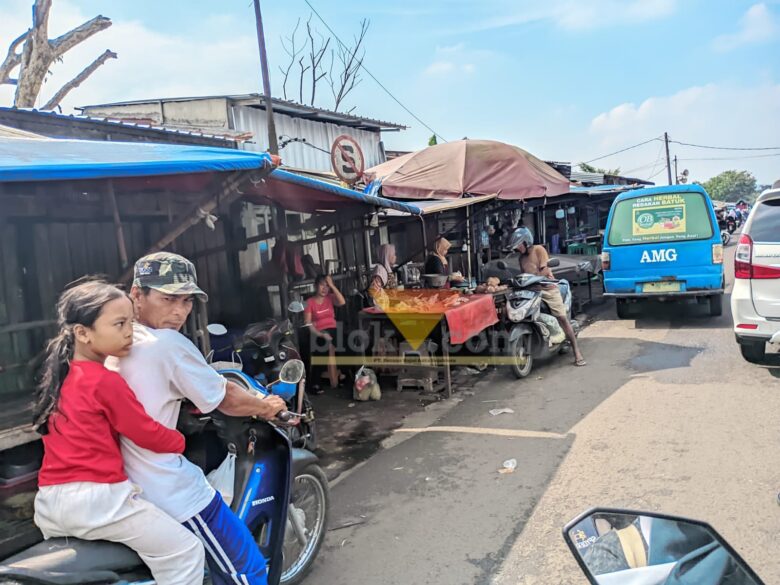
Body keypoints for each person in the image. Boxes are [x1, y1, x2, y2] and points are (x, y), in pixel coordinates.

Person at [106, 252, 287, 585]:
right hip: (166, 489)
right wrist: (265, 406)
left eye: (187, 300)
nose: (179, 311)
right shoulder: (168, 344)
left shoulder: (112, 341)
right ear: (136, 295)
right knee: (247, 569)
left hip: (117, 486)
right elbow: (227, 399)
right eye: (168, 298)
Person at [32, 279, 206, 585]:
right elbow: (145, 432)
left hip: (49, 501)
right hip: (100, 501)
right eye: (119, 324)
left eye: (131, 322)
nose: (129, 332)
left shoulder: (60, 378)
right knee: (185, 551)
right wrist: (180, 440)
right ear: (82, 333)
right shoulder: (105, 381)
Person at [508, 227, 586, 367]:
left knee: (561, 317)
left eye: (519, 245)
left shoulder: (539, 250)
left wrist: (535, 278)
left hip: (548, 289)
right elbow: (524, 275)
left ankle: (577, 353)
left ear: (526, 242)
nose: (518, 248)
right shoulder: (521, 258)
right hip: (532, 291)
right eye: (516, 246)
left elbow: (544, 271)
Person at [305, 274, 346, 393]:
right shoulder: (310, 302)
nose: (325, 288)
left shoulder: (330, 298)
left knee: (345, 343)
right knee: (321, 346)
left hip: (333, 329)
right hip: (318, 331)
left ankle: (343, 374)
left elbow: (342, 302)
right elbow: (308, 324)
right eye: (322, 285)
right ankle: (315, 383)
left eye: (327, 286)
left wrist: (332, 285)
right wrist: (321, 334)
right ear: (315, 286)